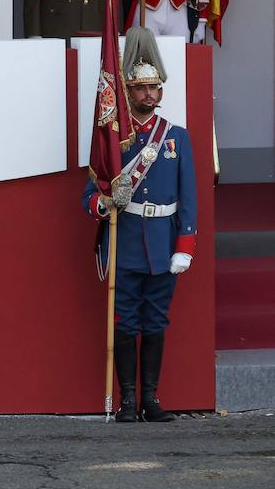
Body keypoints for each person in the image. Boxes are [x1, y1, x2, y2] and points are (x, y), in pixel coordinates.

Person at [83, 26, 197, 422]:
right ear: (127, 91)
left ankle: (151, 398)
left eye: (155, 88)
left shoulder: (176, 138)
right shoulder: (112, 141)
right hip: (127, 239)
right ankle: (128, 400)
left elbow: (190, 199)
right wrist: (105, 202)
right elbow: (88, 197)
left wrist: (185, 247)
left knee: (156, 320)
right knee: (126, 320)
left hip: (164, 243)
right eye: (141, 88)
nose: (149, 94)